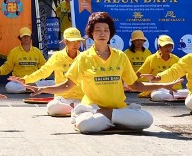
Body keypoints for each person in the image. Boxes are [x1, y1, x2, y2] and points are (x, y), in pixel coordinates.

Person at [27, 12, 164, 134]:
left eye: (106, 30)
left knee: (147, 119)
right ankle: (118, 120)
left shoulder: (120, 56)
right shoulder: (84, 58)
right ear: (91, 33)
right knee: (85, 125)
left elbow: (135, 85)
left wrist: (163, 85)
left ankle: (108, 117)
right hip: (93, 109)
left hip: (118, 108)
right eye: (98, 30)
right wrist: (43, 89)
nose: (102, 34)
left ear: (111, 33)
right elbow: (67, 85)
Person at [9, 27, 85, 116]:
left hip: (81, 98)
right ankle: (76, 109)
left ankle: (76, 109)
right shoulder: (58, 56)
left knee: (93, 106)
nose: (76, 44)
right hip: (62, 98)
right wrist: (26, 80)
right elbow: (44, 71)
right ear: (65, 41)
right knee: (52, 108)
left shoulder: (83, 57)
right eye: (72, 41)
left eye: (78, 41)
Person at [0, 27, 46, 93]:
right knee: (9, 87)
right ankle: (33, 88)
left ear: (31, 37)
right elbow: (7, 66)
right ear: (20, 38)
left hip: (34, 80)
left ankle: (29, 88)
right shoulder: (14, 52)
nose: (26, 38)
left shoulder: (37, 51)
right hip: (19, 81)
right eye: (23, 36)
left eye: (27, 36)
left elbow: (44, 66)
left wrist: (54, 68)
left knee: (53, 82)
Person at [137, 35, 185, 101]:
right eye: (165, 46)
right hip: (159, 89)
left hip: (175, 89)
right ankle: (174, 97)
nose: (168, 48)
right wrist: (130, 84)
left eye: (169, 46)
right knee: (157, 96)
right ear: (159, 47)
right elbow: (140, 73)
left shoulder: (176, 59)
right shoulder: (151, 59)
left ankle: (173, 96)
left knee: (189, 94)